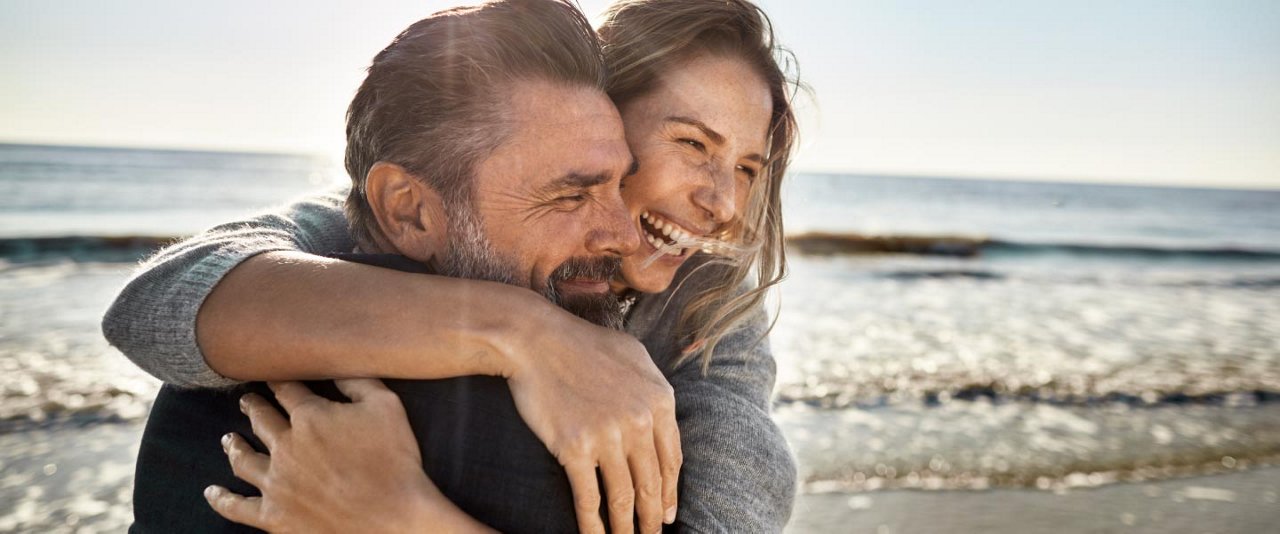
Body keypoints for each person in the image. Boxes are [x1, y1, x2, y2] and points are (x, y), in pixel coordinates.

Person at [105, 0, 800, 531]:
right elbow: (154, 307)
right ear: (604, 119)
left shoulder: (711, 313)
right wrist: (526, 333)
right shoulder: (385, 220)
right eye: (692, 145)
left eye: (746, 168)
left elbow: (736, 509)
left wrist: (401, 518)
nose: (724, 203)